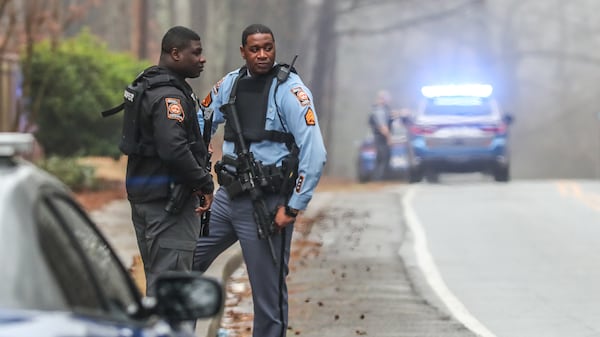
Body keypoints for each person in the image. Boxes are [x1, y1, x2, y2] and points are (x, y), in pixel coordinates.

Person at [193, 24, 326, 337]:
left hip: (266, 205)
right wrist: (199, 166)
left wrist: (293, 207)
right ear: (243, 52)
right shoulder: (231, 84)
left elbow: (314, 153)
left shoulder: (291, 91)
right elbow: (202, 119)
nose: (263, 54)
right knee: (183, 263)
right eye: (255, 49)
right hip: (226, 200)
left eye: (268, 47)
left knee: (267, 298)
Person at [120, 26, 214, 296]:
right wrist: (204, 182)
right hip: (168, 207)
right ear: (175, 54)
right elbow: (173, 148)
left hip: (147, 200)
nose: (202, 59)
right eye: (195, 53)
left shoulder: (149, 84)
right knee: (171, 296)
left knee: (158, 286)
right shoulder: (168, 97)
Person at [369, 90, 394, 181]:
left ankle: (377, 178)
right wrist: (389, 138)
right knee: (384, 158)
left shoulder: (376, 109)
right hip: (381, 138)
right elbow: (383, 127)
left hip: (378, 137)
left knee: (379, 158)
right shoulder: (380, 110)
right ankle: (380, 179)